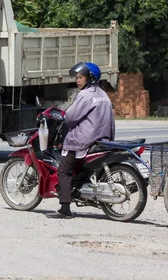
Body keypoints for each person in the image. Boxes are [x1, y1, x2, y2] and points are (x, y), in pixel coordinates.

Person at [46, 62, 115, 219]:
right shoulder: (103, 95)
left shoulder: (85, 95)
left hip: (84, 140)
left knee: (63, 171)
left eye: (81, 77)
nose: (77, 81)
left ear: (90, 78)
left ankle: (64, 208)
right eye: (77, 78)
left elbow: (70, 118)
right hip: (102, 139)